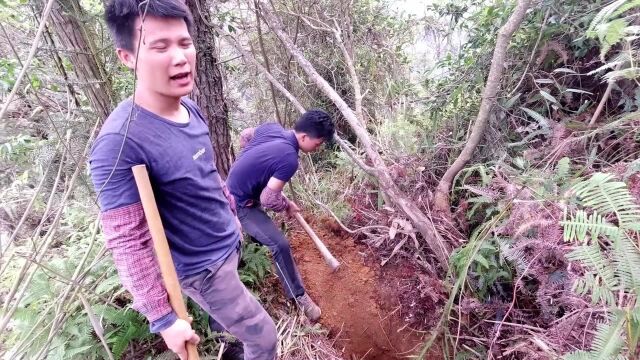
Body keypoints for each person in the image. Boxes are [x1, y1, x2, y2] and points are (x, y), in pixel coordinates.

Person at [89, 0, 277, 359]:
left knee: (233, 321)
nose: (179, 57)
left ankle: (228, 342)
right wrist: (163, 318)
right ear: (127, 57)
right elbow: (126, 241)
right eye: (159, 47)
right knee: (264, 339)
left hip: (225, 242)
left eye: (184, 42)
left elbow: (205, 171)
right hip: (202, 269)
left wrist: (231, 211)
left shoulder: (188, 106)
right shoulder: (119, 143)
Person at [225, 111, 335, 322]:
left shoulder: (272, 128)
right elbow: (268, 199)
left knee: (264, 233)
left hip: (234, 187)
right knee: (280, 245)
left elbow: (246, 135)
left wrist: (251, 165)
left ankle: (255, 244)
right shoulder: (289, 159)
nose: (317, 148)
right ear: (304, 137)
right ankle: (298, 296)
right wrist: (286, 205)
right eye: (318, 143)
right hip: (240, 203)